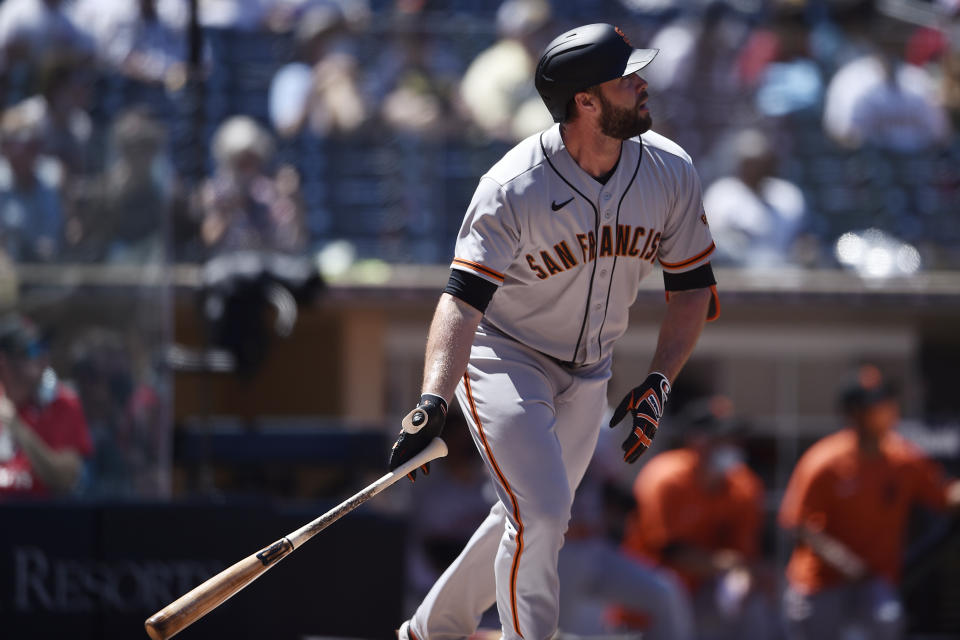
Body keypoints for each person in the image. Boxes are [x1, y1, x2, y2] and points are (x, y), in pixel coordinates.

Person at [388, 23, 719, 640]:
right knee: (540, 515)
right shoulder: (513, 186)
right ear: (585, 102)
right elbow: (461, 301)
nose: (643, 84)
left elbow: (692, 286)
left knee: (532, 515)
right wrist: (435, 395)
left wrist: (661, 380)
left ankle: (428, 633)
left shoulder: (670, 170)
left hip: (591, 368)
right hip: (506, 357)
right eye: (626, 78)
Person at [779, 365, 960, 640]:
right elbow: (798, 523)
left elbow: (945, 497)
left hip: (874, 580)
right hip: (820, 583)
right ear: (854, 413)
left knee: (887, 621)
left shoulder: (904, 458)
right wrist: (843, 561)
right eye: (877, 403)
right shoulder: (824, 461)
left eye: (887, 400)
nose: (888, 408)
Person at [616, 395, 773, 640]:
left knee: (753, 601)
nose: (731, 446)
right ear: (696, 440)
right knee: (668, 588)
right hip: (652, 596)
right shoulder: (665, 478)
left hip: (703, 594)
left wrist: (744, 575)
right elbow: (669, 552)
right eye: (721, 438)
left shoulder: (743, 485)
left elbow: (745, 552)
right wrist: (728, 564)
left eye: (733, 438)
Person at [0, 314, 92, 497]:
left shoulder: (63, 403)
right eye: (31, 350)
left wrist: (17, 427)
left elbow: (64, 478)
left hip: (43, 518)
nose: (43, 357)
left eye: (44, 348)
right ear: (4, 360)